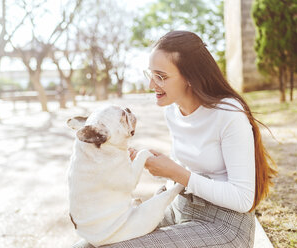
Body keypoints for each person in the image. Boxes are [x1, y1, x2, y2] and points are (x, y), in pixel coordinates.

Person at [73, 30, 277, 248]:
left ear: (190, 77)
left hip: (223, 224)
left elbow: (243, 199)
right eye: (150, 74)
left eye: (161, 76)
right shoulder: (172, 110)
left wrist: (176, 172)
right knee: (86, 245)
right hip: (178, 206)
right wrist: (159, 163)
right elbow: (187, 165)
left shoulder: (228, 114)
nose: (152, 85)